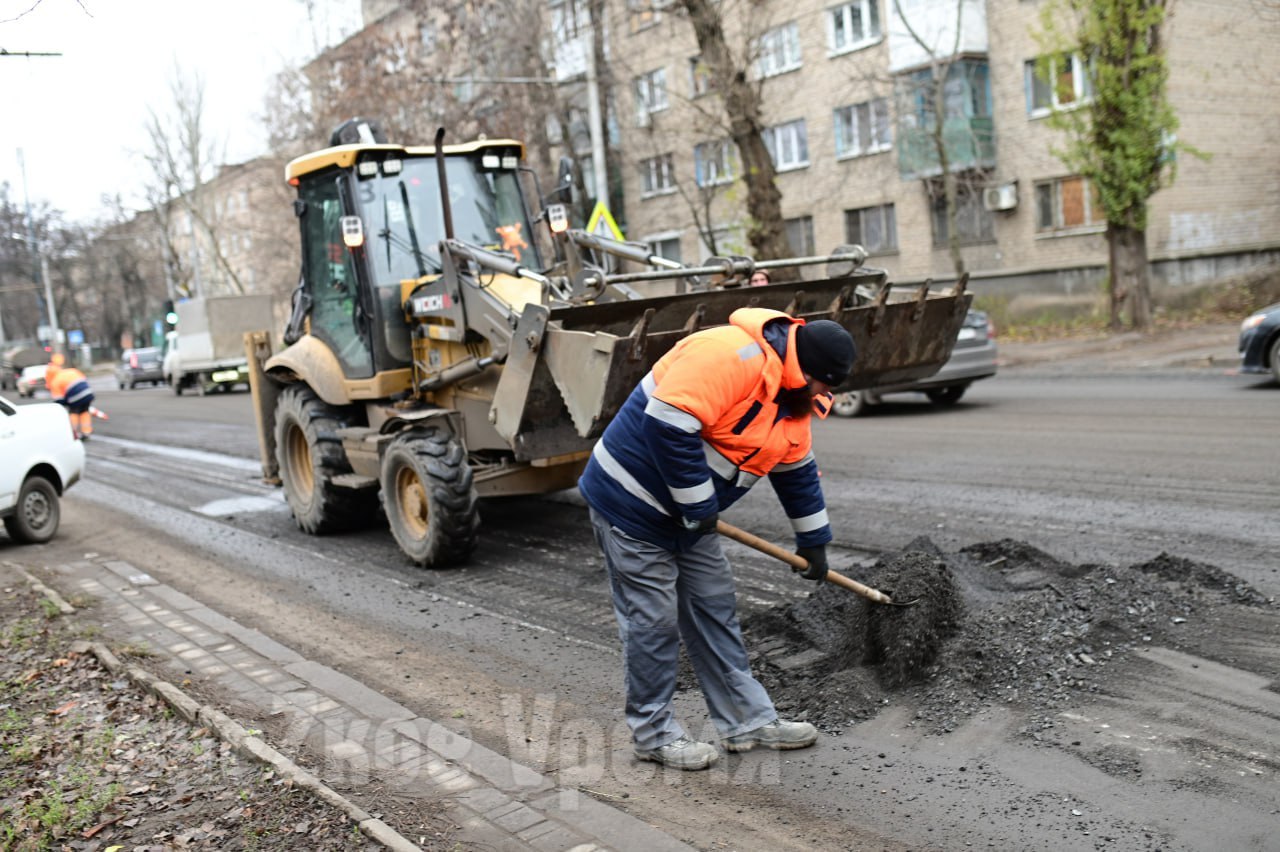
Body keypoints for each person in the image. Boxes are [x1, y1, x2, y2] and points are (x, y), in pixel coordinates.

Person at [578, 308, 855, 770]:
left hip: (690, 516)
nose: (823, 396)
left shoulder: (795, 399)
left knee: (715, 608)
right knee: (654, 623)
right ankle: (653, 733)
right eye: (822, 386)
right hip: (629, 502)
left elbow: (797, 471)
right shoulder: (729, 354)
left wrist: (814, 541)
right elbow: (667, 423)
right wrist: (699, 504)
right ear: (805, 371)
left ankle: (746, 720)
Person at [47, 358, 96, 439]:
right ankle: (86, 431)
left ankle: (74, 432)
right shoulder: (71, 371)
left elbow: (59, 400)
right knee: (84, 411)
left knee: (74, 412)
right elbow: (84, 379)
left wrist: (66, 403)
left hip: (75, 397)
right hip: (88, 392)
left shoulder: (55, 381)